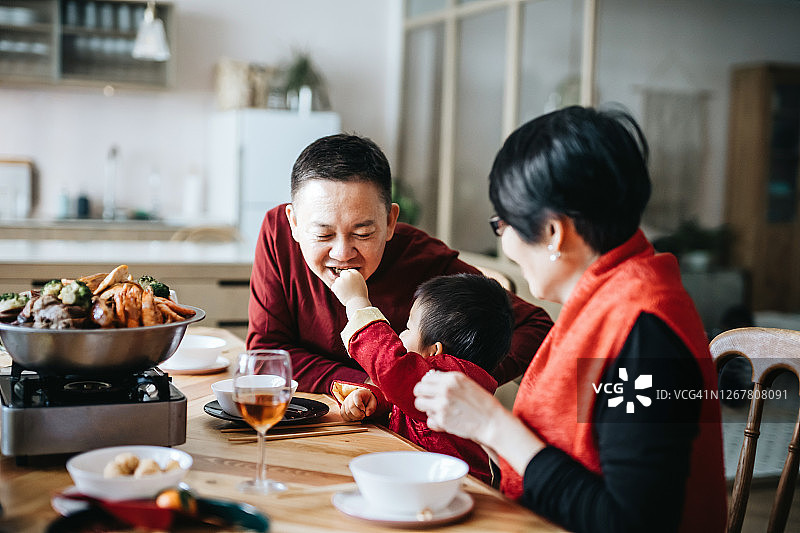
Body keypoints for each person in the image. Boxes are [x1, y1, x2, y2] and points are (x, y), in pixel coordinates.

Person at [413, 106, 727, 532]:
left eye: (503, 223)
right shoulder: (616, 297)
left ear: (554, 233)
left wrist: (494, 425)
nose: (503, 241)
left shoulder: (643, 333)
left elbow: (630, 523)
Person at [247, 133, 553, 393]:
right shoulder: (277, 233)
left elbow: (536, 327)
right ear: (295, 224)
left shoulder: (424, 259)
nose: (342, 253)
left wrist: (432, 385)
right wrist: (369, 384)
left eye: (363, 232)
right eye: (323, 233)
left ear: (391, 221)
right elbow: (266, 354)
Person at [329, 270, 514, 484]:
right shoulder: (435, 377)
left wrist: (356, 301)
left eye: (408, 329)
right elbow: (408, 404)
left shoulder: (451, 380)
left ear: (435, 352)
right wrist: (377, 401)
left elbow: (393, 369)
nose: (400, 335)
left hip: (457, 488)